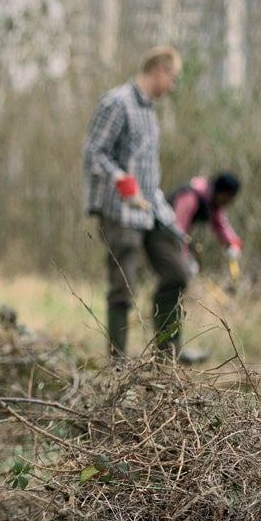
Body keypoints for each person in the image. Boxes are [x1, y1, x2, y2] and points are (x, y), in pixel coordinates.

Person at [82, 46, 195, 363]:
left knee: (177, 273)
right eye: (172, 78)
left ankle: (167, 358)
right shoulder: (116, 103)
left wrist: (170, 219)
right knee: (123, 286)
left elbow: (148, 176)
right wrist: (120, 179)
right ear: (159, 70)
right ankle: (117, 365)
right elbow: (93, 152)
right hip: (120, 212)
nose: (172, 86)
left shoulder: (150, 110)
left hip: (149, 210)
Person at [169, 173, 243, 276]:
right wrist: (185, 257)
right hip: (161, 232)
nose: (228, 202)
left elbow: (221, 225)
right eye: (228, 197)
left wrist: (233, 244)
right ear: (222, 193)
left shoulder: (212, 202)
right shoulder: (190, 197)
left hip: (174, 236)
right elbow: (178, 229)